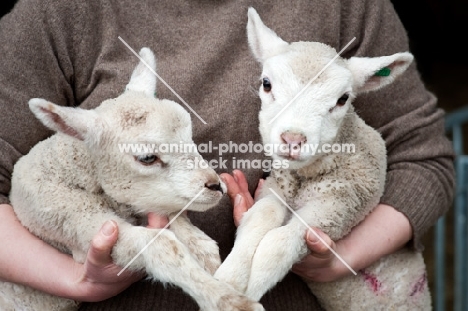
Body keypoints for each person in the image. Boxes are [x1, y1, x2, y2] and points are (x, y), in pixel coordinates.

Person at [0, 0, 454, 310]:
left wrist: (335, 257)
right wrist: (77, 281)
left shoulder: (345, 6)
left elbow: (423, 155)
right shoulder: (61, 12)